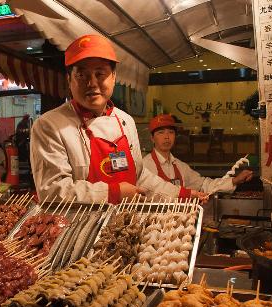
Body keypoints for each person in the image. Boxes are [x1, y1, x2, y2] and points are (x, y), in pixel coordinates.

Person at [30, 34, 209, 204]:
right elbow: (52, 190)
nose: (91, 83)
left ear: (114, 77)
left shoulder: (126, 121)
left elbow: (139, 176)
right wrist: (113, 193)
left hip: (126, 224)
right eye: (81, 75)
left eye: (100, 74)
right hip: (80, 230)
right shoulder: (49, 125)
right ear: (69, 80)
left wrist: (181, 194)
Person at [142, 114, 253, 194]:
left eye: (171, 132)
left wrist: (234, 180)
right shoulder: (145, 166)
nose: (167, 137)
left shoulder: (181, 166)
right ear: (152, 138)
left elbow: (203, 184)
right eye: (161, 133)